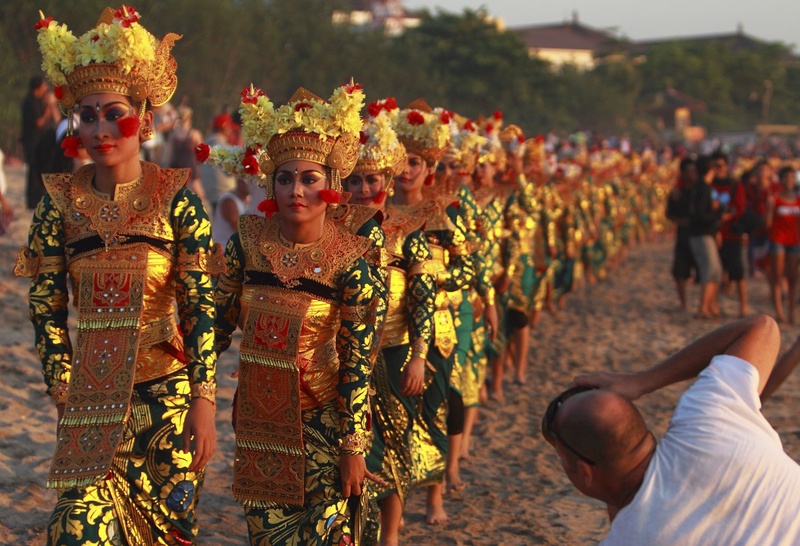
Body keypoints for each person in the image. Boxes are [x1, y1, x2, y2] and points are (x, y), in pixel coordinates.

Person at [15, 7, 220, 543]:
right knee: (74, 529)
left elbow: (202, 307)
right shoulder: (59, 204)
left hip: (167, 398)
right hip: (88, 397)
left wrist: (204, 399)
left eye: (116, 114)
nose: (101, 130)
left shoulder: (177, 199)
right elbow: (45, 307)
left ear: (146, 118)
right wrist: (63, 391)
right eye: (88, 116)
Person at [210, 83, 380, 545]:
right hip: (259, 422)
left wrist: (352, 446)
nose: (296, 190)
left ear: (331, 185)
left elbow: (356, 360)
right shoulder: (247, 243)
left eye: (309, 179)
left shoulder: (351, 260)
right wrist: (199, 393)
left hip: (323, 420)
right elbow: (213, 326)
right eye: (285, 179)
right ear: (270, 185)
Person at [543, 314, 800, 545]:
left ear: (584, 473)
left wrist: (618, 499)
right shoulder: (709, 417)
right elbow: (761, 328)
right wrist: (642, 381)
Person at [344, 96, 436, 546]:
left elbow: (422, 301)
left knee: (393, 453)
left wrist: (419, 357)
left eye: (372, 180)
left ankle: (391, 538)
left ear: (386, 180)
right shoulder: (332, 236)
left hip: (396, 358)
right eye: (354, 180)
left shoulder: (406, 232)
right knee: (354, 453)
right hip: (340, 365)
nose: (363, 189)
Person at [711, 151, 749, 316]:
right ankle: (714, 305)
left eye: (720, 165)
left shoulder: (734, 185)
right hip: (713, 234)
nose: (718, 169)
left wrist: (726, 215)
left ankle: (743, 306)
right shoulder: (708, 184)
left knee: (737, 272)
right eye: (715, 166)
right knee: (715, 272)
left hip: (732, 234)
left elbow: (740, 207)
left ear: (726, 166)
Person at [687, 156, 722, 318]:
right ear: (711, 170)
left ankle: (711, 306)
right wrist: (717, 215)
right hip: (702, 234)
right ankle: (703, 307)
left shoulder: (699, 187)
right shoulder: (704, 188)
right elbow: (700, 215)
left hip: (701, 234)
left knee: (714, 271)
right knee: (709, 270)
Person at [765, 165, 800, 323]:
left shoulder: (798, 199)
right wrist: (769, 207)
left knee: (792, 278)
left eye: (792, 178)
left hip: (794, 241)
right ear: (781, 180)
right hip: (778, 239)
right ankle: (779, 312)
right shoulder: (775, 198)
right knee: (777, 277)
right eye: (786, 178)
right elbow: (768, 223)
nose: (789, 181)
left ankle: (792, 311)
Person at [20, 75, 59, 209]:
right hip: (33, 142)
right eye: (44, 86)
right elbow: (38, 122)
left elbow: (57, 120)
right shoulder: (30, 102)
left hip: (38, 141)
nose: (46, 88)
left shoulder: (36, 101)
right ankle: (32, 201)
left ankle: (36, 200)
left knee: (38, 169)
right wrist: (48, 109)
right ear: (38, 88)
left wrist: (51, 105)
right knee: (33, 170)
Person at [666, 157, 698, 311]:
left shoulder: (701, 190)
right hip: (684, 234)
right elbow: (669, 213)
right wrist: (680, 220)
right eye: (689, 171)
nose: (692, 174)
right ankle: (684, 303)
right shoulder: (677, 192)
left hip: (700, 234)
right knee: (679, 271)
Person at [198, 112, 237, 213]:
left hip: (210, 195)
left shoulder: (206, 146)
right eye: (230, 129)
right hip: (225, 195)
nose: (231, 132)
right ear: (223, 129)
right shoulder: (223, 147)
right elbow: (232, 170)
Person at [169, 104, 205, 202]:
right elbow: (203, 152)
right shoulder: (194, 134)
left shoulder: (173, 134)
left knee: (175, 198)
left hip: (177, 168)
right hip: (190, 167)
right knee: (200, 196)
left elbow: (170, 154)